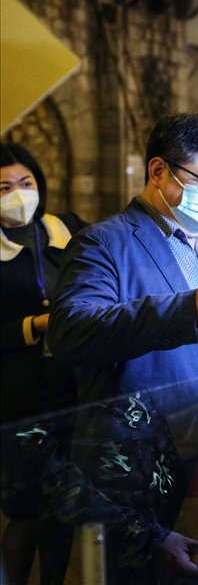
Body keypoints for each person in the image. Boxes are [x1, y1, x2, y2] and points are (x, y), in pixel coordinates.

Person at [45, 113, 198, 584]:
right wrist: (187, 308)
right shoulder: (105, 242)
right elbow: (71, 331)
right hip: (136, 465)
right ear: (158, 171)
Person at [1, 143, 85, 585]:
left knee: (65, 510)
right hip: (18, 398)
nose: (19, 194)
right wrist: (34, 325)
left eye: (26, 183)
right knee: (27, 511)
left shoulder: (66, 228)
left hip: (71, 389)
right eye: (5, 187)